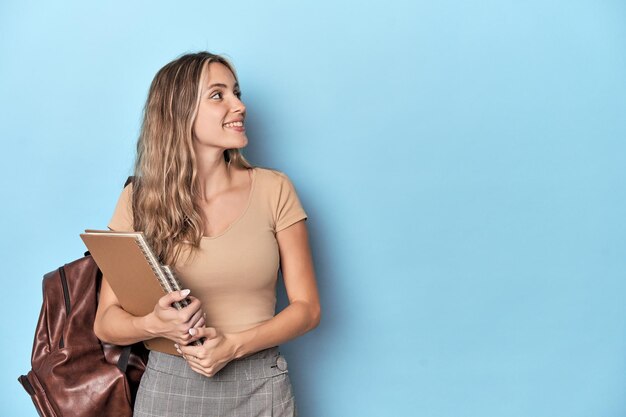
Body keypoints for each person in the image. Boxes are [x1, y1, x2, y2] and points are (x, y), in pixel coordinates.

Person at [93, 51, 321, 417]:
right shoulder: (139, 200)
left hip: (260, 384)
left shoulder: (274, 189)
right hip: (169, 387)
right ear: (179, 112)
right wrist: (154, 324)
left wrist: (232, 346)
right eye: (218, 95)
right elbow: (106, 323)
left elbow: (308, 309)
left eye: (237, 93)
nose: (239, 105)